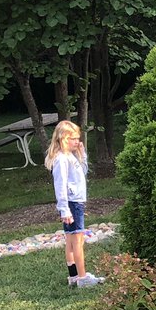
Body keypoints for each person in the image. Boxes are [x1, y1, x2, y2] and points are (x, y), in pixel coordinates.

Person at [46, 120, 104, 288]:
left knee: (71, 239)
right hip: (71, 204)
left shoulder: (70, 156)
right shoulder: (61, 159)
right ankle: (83, 277)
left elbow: (82, 173)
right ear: (63, 138)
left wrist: (82, 155)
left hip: (74, 202)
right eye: (73, 138)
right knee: (77, 240)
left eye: (78, 138)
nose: (77, 141)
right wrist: (64, 209)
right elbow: (60, 186)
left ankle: (73, 276)